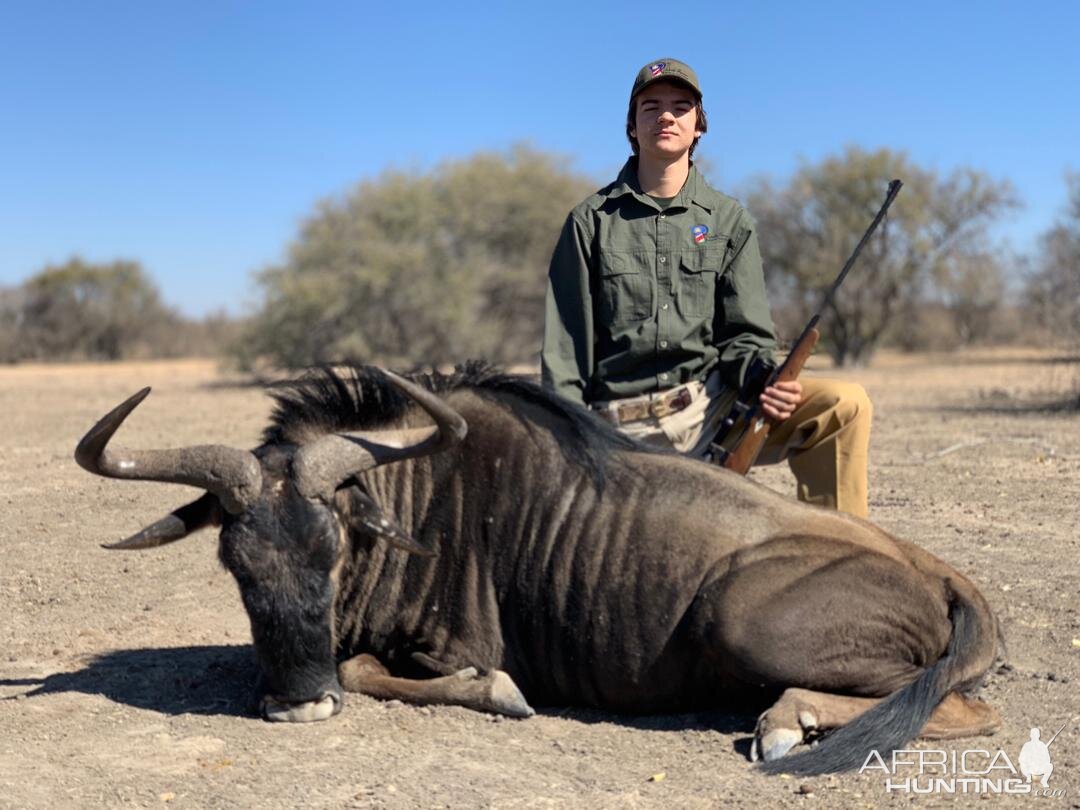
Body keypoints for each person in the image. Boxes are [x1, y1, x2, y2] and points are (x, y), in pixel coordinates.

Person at [541, 57, 874, 518]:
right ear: (632, 128)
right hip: (616, 433)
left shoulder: (729, 220)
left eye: (681, 107)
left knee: (844, 405)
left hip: (710, 413)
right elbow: (565, 359)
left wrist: (763, 379)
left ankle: (841, 560)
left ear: (699, 126)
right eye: (650, 107)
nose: (666, 116)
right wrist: (567, 448)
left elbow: (747, 335)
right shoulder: (589, 222)